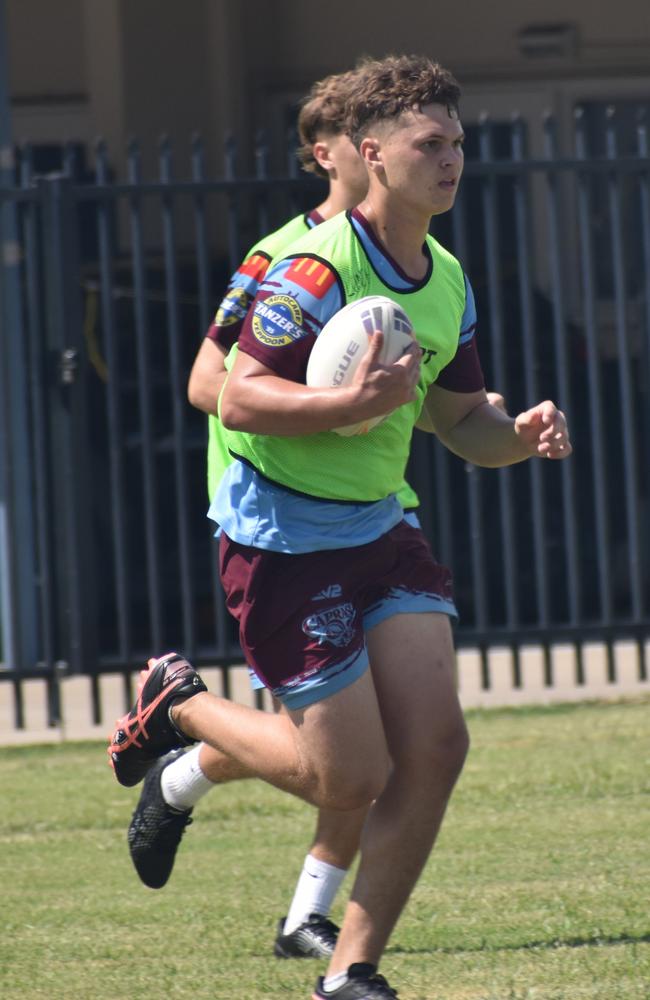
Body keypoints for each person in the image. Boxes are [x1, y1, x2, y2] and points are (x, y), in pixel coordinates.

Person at [109, 54, 571, 1000]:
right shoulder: (308, 266)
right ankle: (181, 706)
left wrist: (516, 436)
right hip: (283, 537)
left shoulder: (446, 277)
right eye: (429, 144)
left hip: (381, 527)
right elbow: (228, 393)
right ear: (369, 155)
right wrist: (349, 403)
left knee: (435, 747)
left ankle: (348, 968)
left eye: (458, 144)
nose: (451, 160)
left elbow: (458, 422)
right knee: (348, 776)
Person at [126, 68, 378, 961]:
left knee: (373, 739)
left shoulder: (409, 254)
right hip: (279, 516)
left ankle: (298, 908)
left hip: (374, 504)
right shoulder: (280, 257)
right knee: (347, 753)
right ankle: (184, 716)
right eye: (367, 132)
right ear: (331, 153)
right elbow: (206, 382)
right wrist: (328, 408)